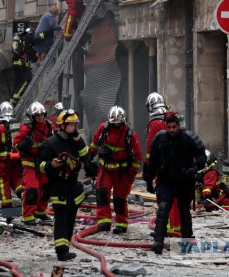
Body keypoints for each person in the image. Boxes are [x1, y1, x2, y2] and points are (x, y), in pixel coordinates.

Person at [144, 114, 206, 255]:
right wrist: (148, 179)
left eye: (174, 127)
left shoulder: (189, 139)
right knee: (163, 208)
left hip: (184, 181)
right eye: (169, 127)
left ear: (179, 126)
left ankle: (187, 241)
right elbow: (152, 161)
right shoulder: (160, 139)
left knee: (184, 211)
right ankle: (158, 241)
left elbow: (202, 156)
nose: (171, 130)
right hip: (166, 181)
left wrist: (195, 168)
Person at [39, 109, 89, 261]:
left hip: (72, 186)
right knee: (61, 216)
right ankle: (61, 251)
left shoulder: (76, 141)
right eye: (71, 125)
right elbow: (39, 165)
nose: (75, 127)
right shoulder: (50, 143)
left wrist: (79, 141)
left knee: (70, 216)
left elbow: (86, 157)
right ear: (62, 126)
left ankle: (66, 247)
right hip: (57, 185)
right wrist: (51, 164)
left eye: (75, 124)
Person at [89, 106, 142, 234]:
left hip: (122, 171)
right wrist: (88, 160)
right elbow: (94, 144)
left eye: (118, 124)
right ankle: (103, 222)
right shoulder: (103, 129)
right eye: (114, 124)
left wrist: (131, 176)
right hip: (105, 168)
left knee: (119, 198)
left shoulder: (130, 134)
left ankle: (121, 223)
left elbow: (138, 157)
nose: (116, 126)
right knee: (101, 193)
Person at [144, 92, 181, 235]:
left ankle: (166, 228)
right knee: (177, 197)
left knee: (165, 198)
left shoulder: (155, 123)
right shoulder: (173, 117)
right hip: (179, 165)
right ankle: (177, 227)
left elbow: (150, 150)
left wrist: (148, 173)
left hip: (163, 167)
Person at [14, 101, 55, 226]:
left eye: (41, 114)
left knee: (46, 188)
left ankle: (40, 211)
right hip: (29, 163)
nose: (40, 117)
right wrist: (24, 145)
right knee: (32, 189)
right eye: (37, 115)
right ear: (32, 116)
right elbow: (15, 145)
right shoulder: (27, 129)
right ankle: (28, 216)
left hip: (43, 163)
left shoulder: (48, 127)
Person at [0, 101, 24, 209]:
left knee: (4, 181)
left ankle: (6, 204)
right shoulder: (19, 125)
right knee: (16, 179)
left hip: (4, 160)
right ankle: (24, 195)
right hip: (17, 159)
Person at [10, 28, 37, 107]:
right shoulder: (25, 42)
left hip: (17, 65)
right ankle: (15, 100)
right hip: (22, 65)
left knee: (17, 83)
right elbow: (31, 56)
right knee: (26, 81)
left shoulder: (20, 41)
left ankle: (13, 100)